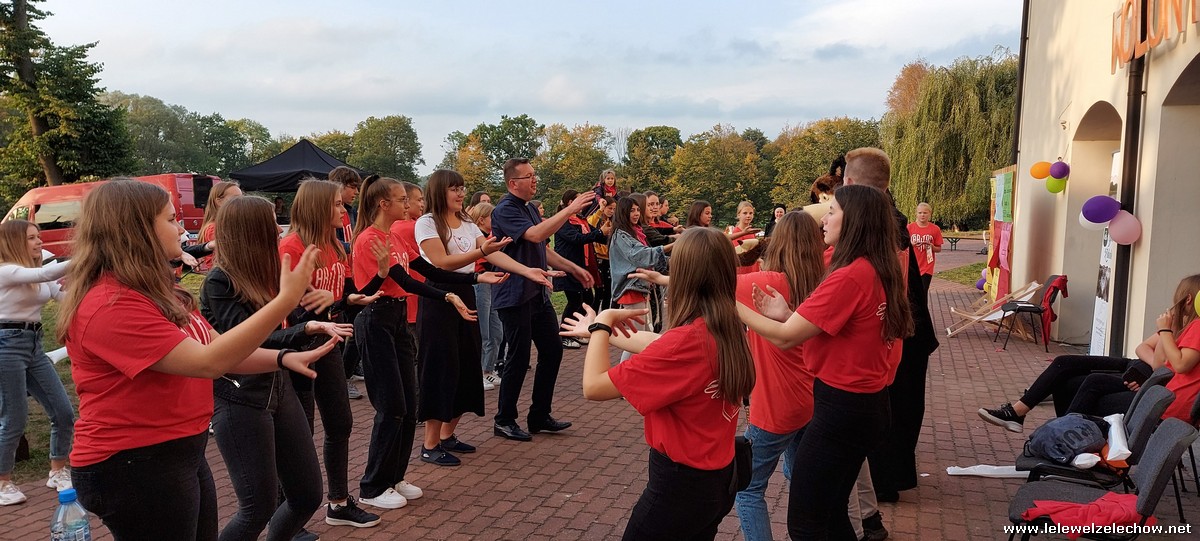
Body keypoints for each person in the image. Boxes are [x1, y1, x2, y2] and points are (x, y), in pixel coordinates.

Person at [59, 179, 327, 540]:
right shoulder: (110, 304)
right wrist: (284, 302)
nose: (182, 228)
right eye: (171, 219)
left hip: (178, 450)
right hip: (132, 462)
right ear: (137, 229)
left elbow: (218, 347)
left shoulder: (158, 290)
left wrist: (282, 358)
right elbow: (207, 363)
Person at [738, 184, 914, 540]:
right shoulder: (877, 267)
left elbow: (785, 338)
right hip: (866, 406)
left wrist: (728, 305)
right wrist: (787, 313)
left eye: (832, 211)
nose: (824, 220)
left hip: (841, 410)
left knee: (806, 523)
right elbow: (838, 331)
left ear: (853, 221)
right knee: (832, 513)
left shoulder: (849, 275)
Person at [560, 226, 755, 541]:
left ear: (683, 277)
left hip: (679, 489)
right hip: (718, 479)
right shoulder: (726, 325)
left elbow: (593, 387)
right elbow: (661, 345)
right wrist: (601, 333)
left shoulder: (685, 343)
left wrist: (603, 322)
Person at [201, 196, 337, 540]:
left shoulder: (269, 273)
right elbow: (248, 340)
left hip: (279, 389)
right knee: (256, 508)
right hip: (240, 399)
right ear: (252, 232)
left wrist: (323, 305)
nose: (278, 229)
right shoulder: (219, 282)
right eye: (271, 223)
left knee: (307, 495)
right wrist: (300, 326)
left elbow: (292, 320)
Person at [350, 175, 480, 510]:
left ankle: (394, 477)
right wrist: (446, 296)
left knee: (409, 403)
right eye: (402, 199)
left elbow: (430, 270)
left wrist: (475, 277)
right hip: (376, 319)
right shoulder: (370, 239)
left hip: (396, 320)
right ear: (384, 204)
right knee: (391, 406)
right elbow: (404, 281)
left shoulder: (394, 236)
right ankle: (372, 485)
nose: (409, 204)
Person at [416, 170, 546, 467]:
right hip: (439, 297)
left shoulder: (465, 221)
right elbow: (441, 262)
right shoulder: (427, 223)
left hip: (466, 292)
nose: (461, 193)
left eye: (462, 188)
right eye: (454, 189)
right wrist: (480, 255)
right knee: (441, 368)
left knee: (466, 365)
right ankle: (429, 444)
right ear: (439, 191)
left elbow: (491, 253)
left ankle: (448, 435)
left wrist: (525, 271)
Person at [279, 178, 383, 529]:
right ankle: (287, 517)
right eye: (337, 204)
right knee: (300, 434)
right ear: (317, 207)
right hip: (298, 349)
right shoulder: (292, 246)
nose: (344, 209)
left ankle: (338, 503)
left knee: (340, 423)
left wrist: (352, 298)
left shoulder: (335, 244)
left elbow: (344, 294)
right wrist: (332, 304)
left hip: (329, 345)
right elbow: (291, 309)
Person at [981, 274, 1200, 428]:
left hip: (1156, 394)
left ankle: (1062, 436)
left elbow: (1177, 365)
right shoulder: (1180, 325)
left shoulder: (1194, 328)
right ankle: (1039, 424)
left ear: (1188, 298)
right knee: (1065, 367)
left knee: (1086, 384)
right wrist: (1164, 337)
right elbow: (1149, 354)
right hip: (1140, 370)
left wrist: (1164, 334)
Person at [490, 157, 596, 442]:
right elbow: (535, 234)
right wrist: (570, 209)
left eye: (534, 174)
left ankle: (539, 415)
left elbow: (543, 247)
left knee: (552, 350)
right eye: (528, 176)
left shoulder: (529, 208)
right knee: (519, 357)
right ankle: (504, 419)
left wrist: (572, 267)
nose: (534, 179)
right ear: (513, 183)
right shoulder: (505, 209)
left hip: (537, 293)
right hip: (514, 295)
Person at [0, 220, 74, 506]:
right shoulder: (7, 271)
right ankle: (3, 481)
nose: (39, 241)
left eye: (38, 236)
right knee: (14, 418)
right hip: (6, 345)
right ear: (15, 242)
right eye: (32, 238)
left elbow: (64, 297)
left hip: (33, 344)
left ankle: (57, 471)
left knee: (63, 411)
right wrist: (89, 256)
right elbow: (46, 272)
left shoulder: (36, 276)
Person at [608, 197, 670, 362]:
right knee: (637, 338)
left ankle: (633, 370)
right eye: (632, 211)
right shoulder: (621, 236)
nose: (636, 214)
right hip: (631, 290)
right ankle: (626, 372)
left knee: (642, 335)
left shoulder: (634, 232)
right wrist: (672, 246)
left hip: (641, 288)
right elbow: (641, 255)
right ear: (623, 213)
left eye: (637, 210)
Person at [552, 189, 609, 350]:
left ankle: (575, 331)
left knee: (587, 299)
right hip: (568, 267)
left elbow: (595, 234)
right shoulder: (563, 221)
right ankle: (564, 335)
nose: (584, 204)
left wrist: (606, 233)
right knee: (575, 301)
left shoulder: (581, 220)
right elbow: (577, 239)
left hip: (582, 267)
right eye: (580, 200)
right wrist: (600, 232)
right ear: (571, 202)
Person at [468, 202, 503, 390]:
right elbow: (485, 262)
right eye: (492, 217)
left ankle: (488, 369)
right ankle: (477, 373)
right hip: (480, 284)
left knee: (496, 332)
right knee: (482, 332)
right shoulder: (478, 239)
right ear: (481, 219)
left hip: (491, 286)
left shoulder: (490, 237)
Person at [196, 180, 243, 272]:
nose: (241, 202)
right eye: (236, 198)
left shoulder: (225, 225)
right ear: (219, 201)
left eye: (242, 198)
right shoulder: (214, 228)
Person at [587, 196, 617, 312]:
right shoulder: (597, 219)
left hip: (610, 259)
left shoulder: (613, 222)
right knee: (600, 291)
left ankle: (605, 315)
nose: (612, 211)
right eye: (610, 208)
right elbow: (589, 223)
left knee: (608, 292)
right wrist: (600, 209)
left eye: (614, 209)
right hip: (599, 259)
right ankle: (593, 315)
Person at [907, 202, 943, 291]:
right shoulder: (909, 228)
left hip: (927, 266)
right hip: (911, 265)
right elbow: (902, 246)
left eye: (925, 213)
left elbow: (938, 248)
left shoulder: (935, 229)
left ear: (929, 214)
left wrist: (932, 247)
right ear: (916, 214)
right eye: (920, 213)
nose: (922, 215)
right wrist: (911, 244)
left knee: (923, 291)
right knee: (912, 292)